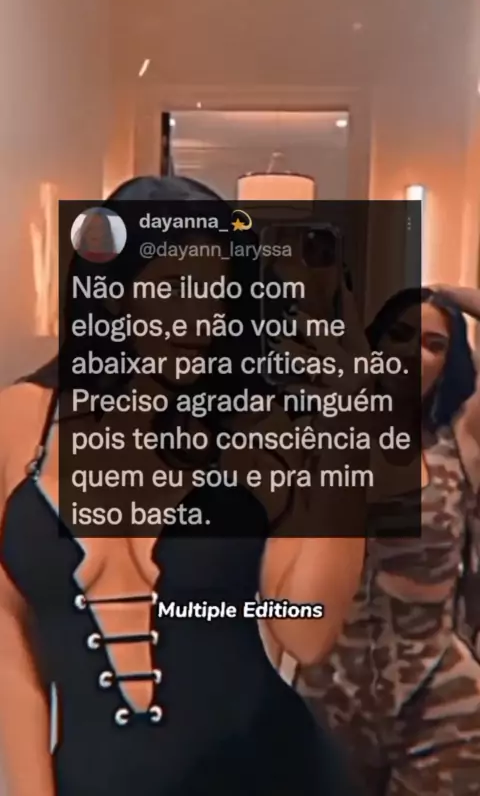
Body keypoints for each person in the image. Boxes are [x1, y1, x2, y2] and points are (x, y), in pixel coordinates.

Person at [0, 176, 365, 796]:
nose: (200, 316)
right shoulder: (20, 421)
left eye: (217, 291)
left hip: (266, 772)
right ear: (113, 295)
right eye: (173, 287)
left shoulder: (255, 429)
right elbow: (10, 638)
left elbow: (308, 633)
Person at [296, 286, 480, 796]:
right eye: (399, 335)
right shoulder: (323, 432)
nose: (413, 354)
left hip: (438, 696)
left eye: (434, 344)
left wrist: (454, 295)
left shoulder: (459, 441)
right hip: (329, 691)